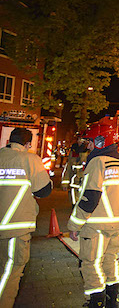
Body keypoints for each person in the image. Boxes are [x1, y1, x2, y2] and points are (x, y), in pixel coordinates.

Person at [67, 126, 119, 308]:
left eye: (90, 141)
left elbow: (90, 197)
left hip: (96, 226)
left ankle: (96, 303)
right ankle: (113, 301)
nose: (88, 145)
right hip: (117, 225)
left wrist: (74, 224)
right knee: (111, 261)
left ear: (100, 142)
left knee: (91, 263)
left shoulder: (97, 162)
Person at [0, 128, 52, 307]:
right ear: (28, 144)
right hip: (15, 227)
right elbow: (44, 191)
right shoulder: (30, 160)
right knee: (10, 273)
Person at [61, 139, 88, 206]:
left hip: (85, 183)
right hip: (74, 184)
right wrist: (65, 184)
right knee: (74, 202)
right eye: (79, 140)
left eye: (82, 141)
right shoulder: (73, 153)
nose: (80, 142)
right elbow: (68, 170)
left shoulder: (89, 153)